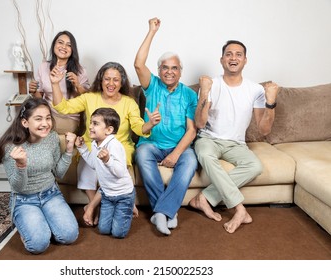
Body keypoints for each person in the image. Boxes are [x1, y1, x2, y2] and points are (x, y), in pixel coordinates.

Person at [51, 61, 161, 225]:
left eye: (116, 80)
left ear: (122, 82)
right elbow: (62, 107)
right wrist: (55, 84)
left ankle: (91, 206)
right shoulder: (89, 98)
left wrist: (150, 123)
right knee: (87, 163)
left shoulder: (129, 102)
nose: (111, 84)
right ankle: (94, 203)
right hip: (92, 145)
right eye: (107, 79)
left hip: (120, 146)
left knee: (112, 168)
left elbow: (138, 128)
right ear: (101, 80)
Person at [188, 40, 279, 234]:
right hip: (209, 139)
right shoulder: (212, 84)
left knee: (255, 166)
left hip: (236, 143)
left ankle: (203, 198)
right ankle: (239, 209)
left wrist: (271, 103)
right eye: (229, 54)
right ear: (222, 60)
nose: (233, 58)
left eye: (238, 54)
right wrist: (204, 92)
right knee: (204, 155)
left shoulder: (255, 89)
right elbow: (200, 123)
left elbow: (264, 130)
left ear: (245, 60)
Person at [134, 17, 198, 236]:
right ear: (159, 71)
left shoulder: (189, 94)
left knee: (190, 161)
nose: (169, 71)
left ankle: (161, 212)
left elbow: (192, 130)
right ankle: (168, 212)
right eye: (165, 68)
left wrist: (176, 153)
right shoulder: (152, 86)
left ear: (181, 71)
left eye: (174, 68)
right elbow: (138, 64)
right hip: (151, 144)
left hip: (178, 146)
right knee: (141, 155)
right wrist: (152, 31)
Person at [0, 98, 79, 254]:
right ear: (25, 122)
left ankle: (41, 220)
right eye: (38, 119)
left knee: (70, 236)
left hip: (51, 194)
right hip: (24, 199)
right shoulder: (10, 147)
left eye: (48, 118)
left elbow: (58, 173)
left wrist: (69, 150)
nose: (45, 123)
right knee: (38, 245)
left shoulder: (52, 138)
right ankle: (24, 221)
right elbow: (18, 186)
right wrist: (21, 165)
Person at [74, 107, 135, 238]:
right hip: (107, 194)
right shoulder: (96, 144)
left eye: (95, 123)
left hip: (123, 195)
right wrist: (82, 148)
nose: (90, 126)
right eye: (91, 122)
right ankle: (119, 213)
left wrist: (108, 160)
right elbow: (93, 164)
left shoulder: (114, 146)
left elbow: (119, 172)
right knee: (103, 230)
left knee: (118, 233)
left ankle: (129, 207)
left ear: (109, 130)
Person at [29, 31, 90, 134]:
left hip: (68, 116)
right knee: (26, 123)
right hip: (47, 114)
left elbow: (88, 98)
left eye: (69, 45)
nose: (63, 47)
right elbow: (40, 99)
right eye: (60, 42)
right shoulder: (43, 67)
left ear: (72, 50)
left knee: (41, 130)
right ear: (54, 45)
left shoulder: (80, 70)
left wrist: (78, 85)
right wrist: (34, 91)